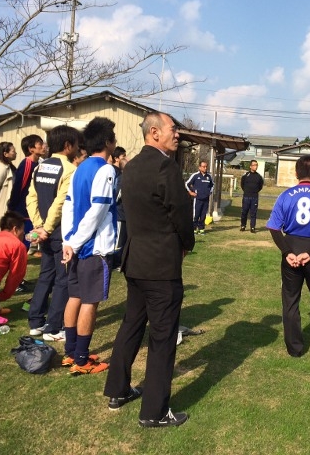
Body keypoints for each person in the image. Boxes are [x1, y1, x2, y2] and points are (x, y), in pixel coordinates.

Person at [103, 111, 195, 428]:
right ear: (154, 132)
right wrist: (187, 243)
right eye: (173, 129)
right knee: (162, 337)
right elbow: (180, 213)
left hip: (135, 260)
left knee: (131, 324)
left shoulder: (131, 167)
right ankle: (154, 412)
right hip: (160, 265)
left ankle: (117, 389)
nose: (178, 134)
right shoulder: (164, 167)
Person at [266, 155, 310, 358]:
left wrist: (287, 252)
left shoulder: (285, 196)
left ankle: (294, 350)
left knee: (290, 301)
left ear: (296, 173)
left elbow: (273, 227)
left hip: (291, 248)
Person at [61, 117, 117, 375]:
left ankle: (70, 352)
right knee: (90, 302)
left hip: (73, 245)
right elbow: (97, 211)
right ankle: (82, 359)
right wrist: (76, 242)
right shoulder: (106, 169)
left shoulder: (79, 168)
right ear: (107, 142)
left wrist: (67, 241)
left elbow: (69, 207)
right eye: (114, 138)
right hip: (93, 248)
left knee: (75, 296)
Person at [25, 125, 80, 342]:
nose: (77, 148)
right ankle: (54, 327)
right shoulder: (70, 170)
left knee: (45, 275)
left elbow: (31, 197)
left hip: (44, 232)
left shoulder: (40, 167)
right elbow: (61, 203)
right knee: (63, 279)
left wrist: (38, 226)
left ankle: (35, 321)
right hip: (59, 232)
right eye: (76, 144)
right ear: (68, 146)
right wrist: (46, 228)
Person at [8, 134, 45, 247]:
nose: (43, 146)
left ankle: (25, 253)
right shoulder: (27, 165)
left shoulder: (38, 164)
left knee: (30, 238)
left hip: (32, 209)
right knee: (22, 240)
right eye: (40, 144)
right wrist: (13, 208)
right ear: (31, 149)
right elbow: (19, 187)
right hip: (22, 211)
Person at [185, 161, 214, 234]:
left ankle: (201, 228)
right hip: (197, 199)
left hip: (206, 199)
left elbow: (212, 185)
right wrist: (190, 192)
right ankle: (194, 229)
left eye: (206, 166)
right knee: (196, 214)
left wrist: (209, 192)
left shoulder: (209, 176)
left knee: (203, 214)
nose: (205, 168)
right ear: (200, 167)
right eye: (203, 166)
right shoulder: (195, 175)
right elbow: (187, 184)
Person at [112, 146, 128, 267]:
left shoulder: (126, 178)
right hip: (119, 214)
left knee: (124, 238)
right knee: (118, 240)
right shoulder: (121, 179)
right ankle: (115, 261)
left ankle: (121, 260)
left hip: (125, 215)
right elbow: (116, 196)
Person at [240, 160, 264, 233]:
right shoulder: (246, 175)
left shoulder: (259, 177)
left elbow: (260, 186)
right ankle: (243, 225)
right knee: (244, 212)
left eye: (256, 165)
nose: (255, 166)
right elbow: (242, 184)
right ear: (250, 166)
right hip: (246, 197)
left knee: (253, 213)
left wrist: (254, 191)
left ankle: (252, 227)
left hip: (254, 197)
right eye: (254, 165)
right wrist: (247, 191)